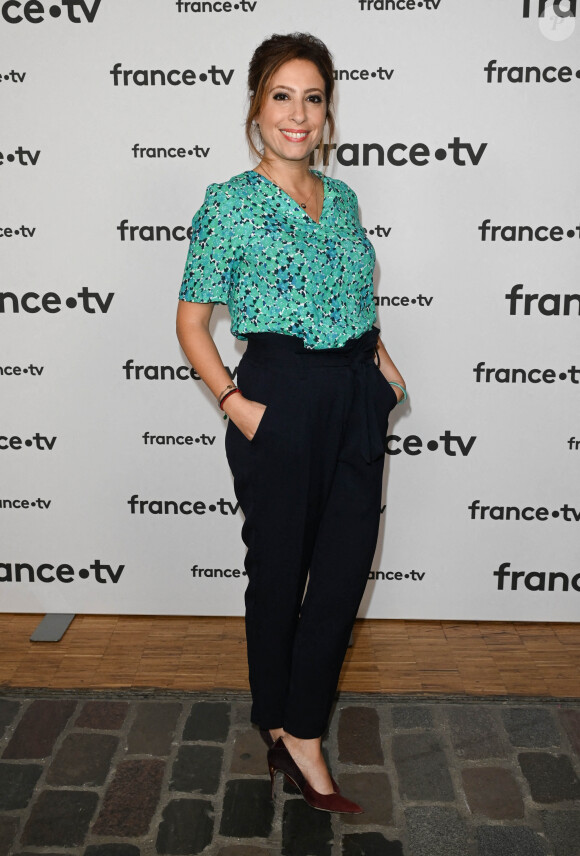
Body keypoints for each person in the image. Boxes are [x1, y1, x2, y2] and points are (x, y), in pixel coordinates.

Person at [176, 32, 406, 814]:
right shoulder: (229, 203)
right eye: (282, 96)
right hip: (277, 393)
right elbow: (192, 324)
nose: (298, 114)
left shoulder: (341, 199)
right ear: (255, 107)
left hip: (354, 391)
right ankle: (282, 723)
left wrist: (384, 367)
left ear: (327, 110)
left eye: (312, 97)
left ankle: (298, 727)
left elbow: (355, 297)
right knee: (278, 575)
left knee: (343, 574)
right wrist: (235, 405)